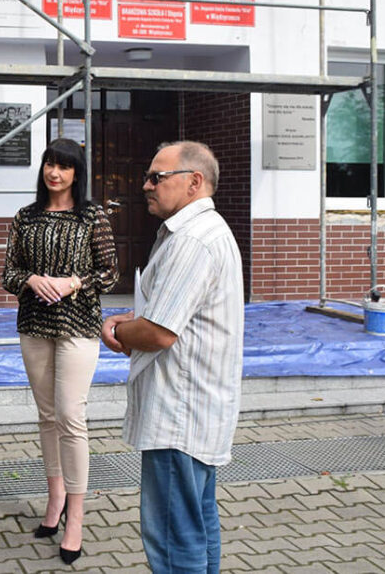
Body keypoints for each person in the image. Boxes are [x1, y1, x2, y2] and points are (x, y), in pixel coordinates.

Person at [101, 140, 243, 574]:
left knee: (172, 535)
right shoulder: (201, 232)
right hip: (194, 411)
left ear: (194, 182)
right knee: (196, 524)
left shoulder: (193, 240)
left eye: (157, 177)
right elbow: (174, 312)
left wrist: (116, 329)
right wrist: (138, 316)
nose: (145, 185)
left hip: (179, 415)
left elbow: (160, 333)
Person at [1, 138, 119, 565]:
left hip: (78, 325)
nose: (55, 173)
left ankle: (76, 516)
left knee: (71, 415)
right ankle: (54, 501)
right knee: (47, 415)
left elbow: (110, 271)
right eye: (50, 164)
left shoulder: (93, 216)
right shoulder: (25, 217)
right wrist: (31, 280)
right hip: (34, 325)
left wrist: (73, 283)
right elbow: (8, 273)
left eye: (64, 167)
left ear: (76, 173)